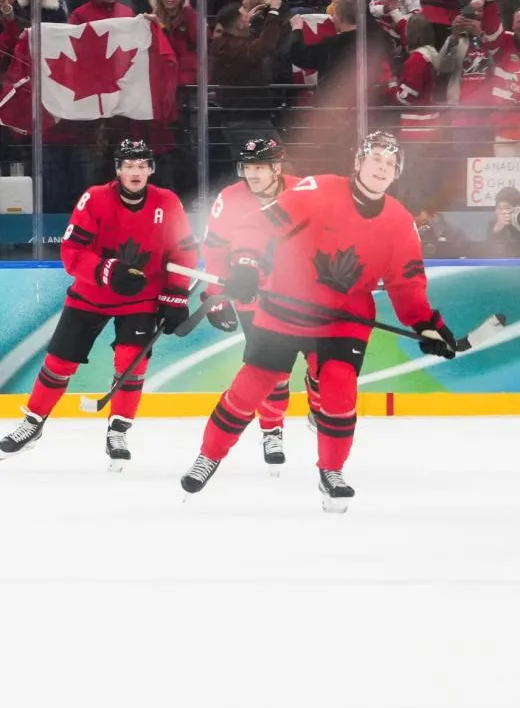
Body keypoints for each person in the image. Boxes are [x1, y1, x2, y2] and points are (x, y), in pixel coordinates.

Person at [179, 132, 458, 512]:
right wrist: (245, 262)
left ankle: (332, 471)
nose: (381, 166)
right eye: (374, 158)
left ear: (396, 175)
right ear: (358, 162)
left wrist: (426, 324)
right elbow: (261, 226)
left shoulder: (400, 222)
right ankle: (208, 456)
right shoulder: (319, 189)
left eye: (390, 164)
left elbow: (406, 282)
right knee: (252, 386)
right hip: (286, 307)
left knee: (339, 391)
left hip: (344, 320)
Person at [0, 140, 198, 470]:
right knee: (59, 361)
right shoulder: (95, 198)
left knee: (130, 364)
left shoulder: (168, 202)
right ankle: (33, 423)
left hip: (140, 300)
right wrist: (107, 270)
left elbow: (183, 253)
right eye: (128, 165)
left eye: (141, 165)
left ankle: (118, 429)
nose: (135, 172)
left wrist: (175, 295)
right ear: (117, 169)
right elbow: (71, 254)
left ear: (151, 169)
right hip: (91, 294)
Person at [201, 138, 321, 474]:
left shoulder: (304, 191)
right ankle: (272, 431)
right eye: (248, 167)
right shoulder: (230, 199)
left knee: (323, 365)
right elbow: (214, 252)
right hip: (252, 296)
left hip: (302, 295)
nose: (251, 175)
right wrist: (214, 294)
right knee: (273, 372)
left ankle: (319, 398)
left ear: (277, 168)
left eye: (259, 168)